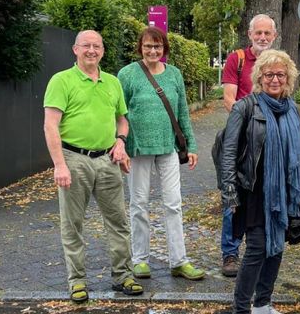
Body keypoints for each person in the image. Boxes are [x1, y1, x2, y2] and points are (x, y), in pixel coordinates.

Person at [43, 30, 143, 303]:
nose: (91, 50)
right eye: (85, 45)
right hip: (74, 159)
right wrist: (59, 165)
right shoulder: (61, 81)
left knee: (118, 222)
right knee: (73, 224)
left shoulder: (112, 82)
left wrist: (121, 142)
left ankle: (123, 276)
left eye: (96, 46)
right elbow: (50, 125)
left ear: (103, 50)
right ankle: (77, 281)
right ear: (75, 49)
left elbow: (122, 120)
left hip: (108, 159)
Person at [220, 50, 300, 314]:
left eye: (280, 74)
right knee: (258, 249)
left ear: (289, 78)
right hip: (254, 191)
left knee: (276, 249)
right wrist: (229, 192)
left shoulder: (293, 109)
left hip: (285, 192)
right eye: (269, 74)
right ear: (259, 76)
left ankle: (262, 304)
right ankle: (241, 308)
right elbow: (229, 152)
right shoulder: (245, 107)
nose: (275, 79)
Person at [117, 27, 204, 281]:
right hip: (138, 148)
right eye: (147, 46)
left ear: (164, 48)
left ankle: (179, 261)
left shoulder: (174, 74)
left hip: (168, 148)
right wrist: (121, 146)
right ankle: (140, 260)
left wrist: (191, 146)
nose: (152, 51)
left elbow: (183, 112)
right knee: (138, 204)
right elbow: (119, 113)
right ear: (140, 48)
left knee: (173, 204)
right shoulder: (128, 74)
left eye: (157, 46)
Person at [219, 13, 278, 277]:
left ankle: (261, 246)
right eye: (258, 33)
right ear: (250, 34)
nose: (263, 38)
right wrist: (251, 118)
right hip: (243, 139)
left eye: (267, 33)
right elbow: (229, 100)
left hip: (270, 141)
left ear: (274, 36)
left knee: (264, 193)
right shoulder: (237, 59)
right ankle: (230, 252)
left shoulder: (277, 62)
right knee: (234, 193)